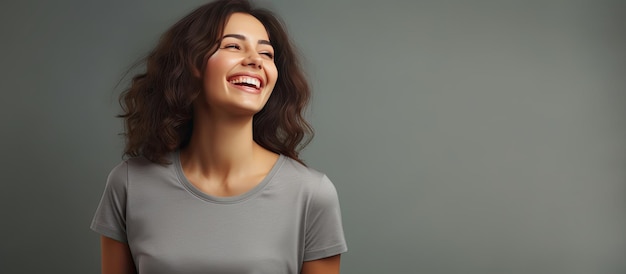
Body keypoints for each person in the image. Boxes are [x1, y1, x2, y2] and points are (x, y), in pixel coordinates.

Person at [90, 0, 347, 273]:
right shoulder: (129, 183)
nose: (255, 61)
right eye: (233, 46)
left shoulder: (312, 194)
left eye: (267, 53)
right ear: (192, 64)